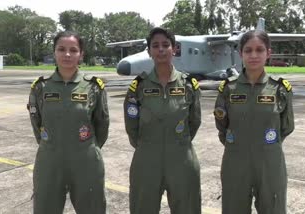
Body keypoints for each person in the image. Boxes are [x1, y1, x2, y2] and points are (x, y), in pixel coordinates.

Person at [27, 31, 109, 214]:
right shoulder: (40, 86)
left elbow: (102, 124)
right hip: (49, 159)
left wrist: (88, 147)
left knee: (92, 208)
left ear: (81, 55)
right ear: (54, 52)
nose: (67, 54)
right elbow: (36, 122)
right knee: (45, 207)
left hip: (86, 160)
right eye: (61, 49)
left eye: (73, 50)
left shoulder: (94, 86)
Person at [214, 30, 295, 214]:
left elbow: (286, 126)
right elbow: (222, 125)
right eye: (248, 50)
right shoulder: (228, 88)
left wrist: (265, 145)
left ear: (268, 53)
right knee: (234, 207)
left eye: (259, 50)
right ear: (240, 53)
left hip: (269, 161)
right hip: (235, 160)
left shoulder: (280, 89)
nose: (254, 55)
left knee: (272, 208)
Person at [124, 27, 202, 214]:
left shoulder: (189, 85)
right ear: (149, 51)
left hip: (182, 159)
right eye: (155, 46)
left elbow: (194, 121)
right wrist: (147, 145)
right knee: (143, 207)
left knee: (187, 207)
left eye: (166, 45)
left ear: (174, 49)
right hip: (147, 159)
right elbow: (131, 126)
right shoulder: (138, 87)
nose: (161, 49)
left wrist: (178, 143)